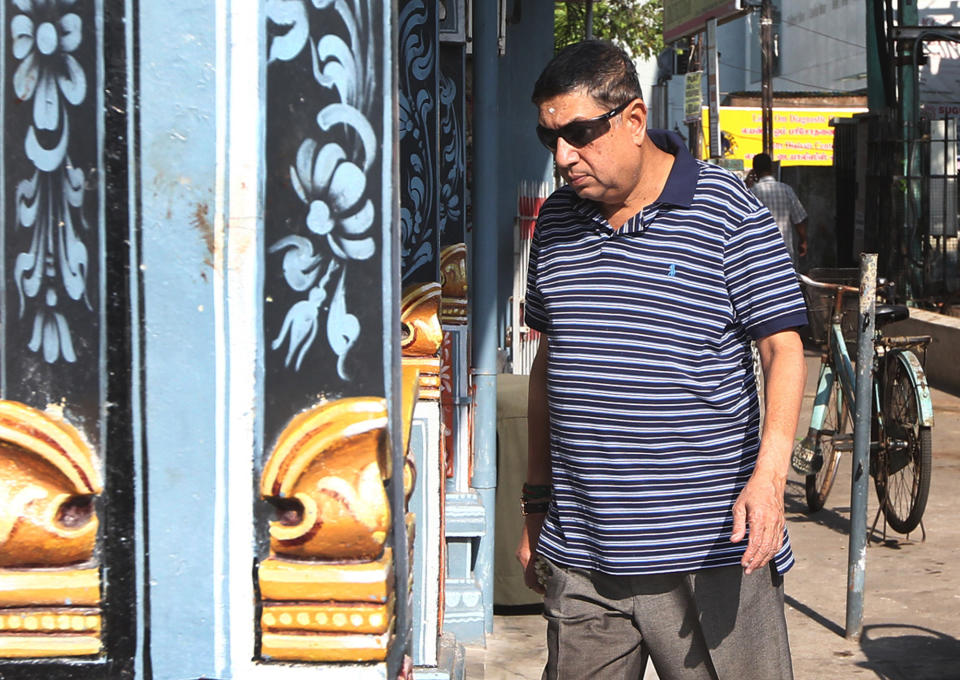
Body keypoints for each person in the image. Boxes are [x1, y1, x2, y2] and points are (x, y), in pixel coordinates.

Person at [516, 40, 808, 680]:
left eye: (579, 133)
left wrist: (769, 480)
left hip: (713, 554)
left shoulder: (726, 210)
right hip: (583, 554)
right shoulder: (559, 222)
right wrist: (535, 505)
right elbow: (547, 368)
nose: (564, 157)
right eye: (550, 138)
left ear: (634, 120)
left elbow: (782, 348)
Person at [748, 152, 808, 269]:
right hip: (784, 252)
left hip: (759, 254)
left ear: (755, 171)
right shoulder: (786, 190)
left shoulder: (751, 193)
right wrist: (803, 241)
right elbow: (799, 220)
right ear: (771, 168)